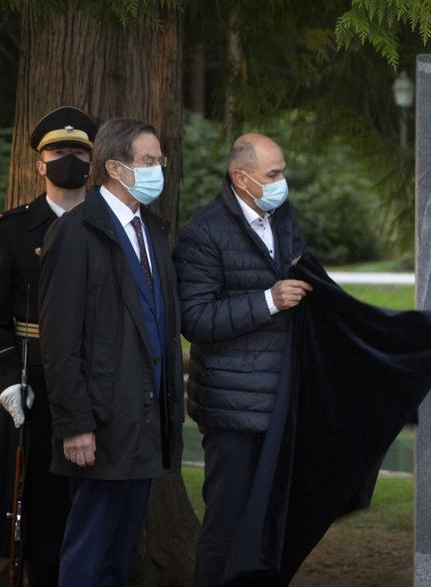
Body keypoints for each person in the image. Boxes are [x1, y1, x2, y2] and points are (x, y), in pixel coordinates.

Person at [38, 118, 184, 586]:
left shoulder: (153, 232)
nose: (159, 168)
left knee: (120, 556)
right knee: (89, 553)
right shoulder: (77, 232)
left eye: (159, 159)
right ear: (116, 168)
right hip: (99, 425)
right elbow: (59, 341)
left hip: (144, 422)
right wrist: (75, 424)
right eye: (149, 161)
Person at [173, 133, 310, 586]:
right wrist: (268, 301)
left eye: (282, 171)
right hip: (231, 411)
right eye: (273, 175)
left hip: (278, 402)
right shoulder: (203, 233)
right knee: (226, 528)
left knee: (268, 532)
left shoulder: (284, 217)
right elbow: (194, 319)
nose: (281, 181)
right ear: (241, 178)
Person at [0, 106, 95, 585]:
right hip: (32, 377)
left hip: (98, 375)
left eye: (79, 152)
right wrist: (6, 380)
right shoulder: (13, 230)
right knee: (38, 499)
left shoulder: (110, 226)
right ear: (39, 164)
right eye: (59, 152)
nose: (69, 160)